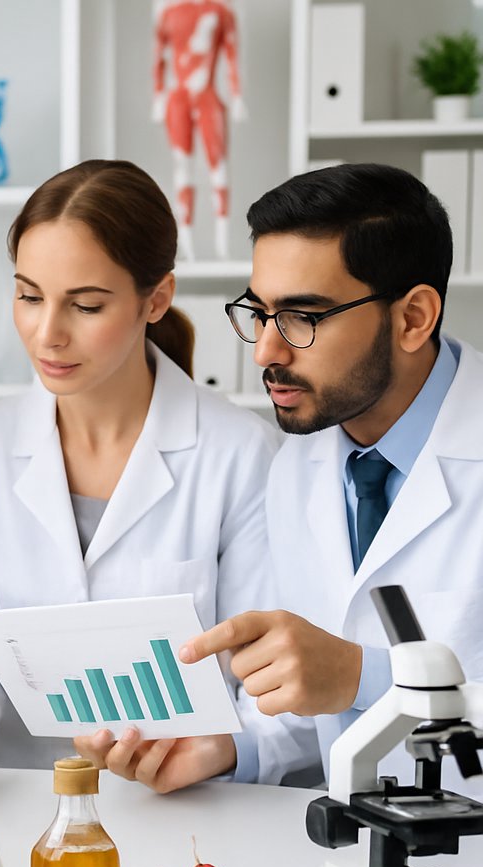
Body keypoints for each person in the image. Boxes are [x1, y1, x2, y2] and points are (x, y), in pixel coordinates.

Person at [88, 162, 483, 793]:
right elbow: (313, 697)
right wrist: (227, 748)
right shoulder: (298, 464)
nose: (265, 352)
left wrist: (364, 676)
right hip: (358, 852)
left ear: (413, 318)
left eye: (303, 317)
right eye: (259, 312)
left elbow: (345, 676)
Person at [0, 159, 278, 768]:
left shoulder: (242, 454)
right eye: (29, 297)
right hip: (24, 800)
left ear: (156, 299)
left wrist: (225, 753)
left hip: (192, 814)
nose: (47, 335)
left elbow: (271, 683)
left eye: (85, 307)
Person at [151, 0, 246, 261]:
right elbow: (159, 55)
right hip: (178, 98)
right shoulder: (168, 12)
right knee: (183, 167)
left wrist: (236, 95)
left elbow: (231, 52)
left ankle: (222, 243)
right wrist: (159, 98)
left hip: (207, 95)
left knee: (219, 167)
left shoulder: (220, 11)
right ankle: (186, 244)